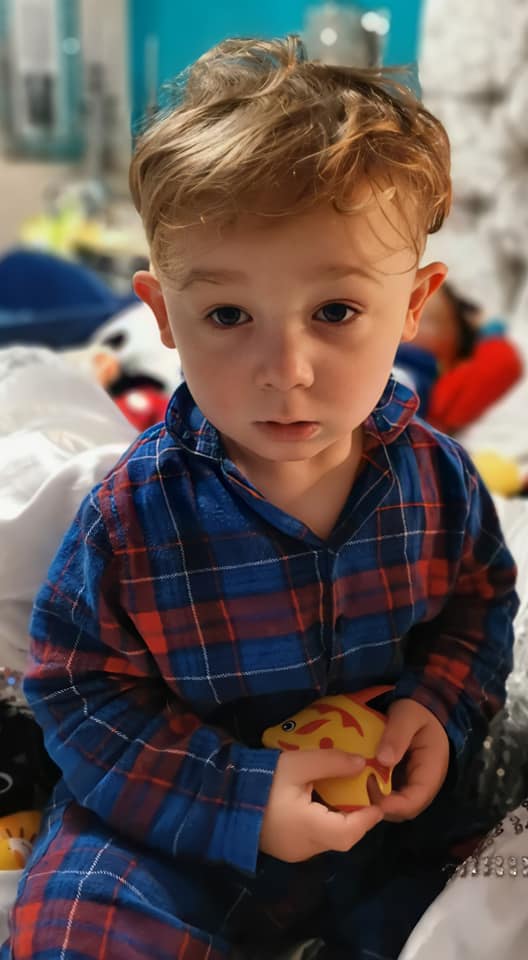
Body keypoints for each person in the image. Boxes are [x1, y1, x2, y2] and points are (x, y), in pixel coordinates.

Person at [3, 36, 518, 960]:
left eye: (335, 312)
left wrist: (438, 710)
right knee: (75, 920)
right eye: (229, 315)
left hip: (381, 815)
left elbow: (478, 609)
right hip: (178, 826)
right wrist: (237, 799)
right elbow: (78, 692)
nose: (286, 370)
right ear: (163, 315)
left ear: (414, 305)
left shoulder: (437, 480)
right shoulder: (133, 514)